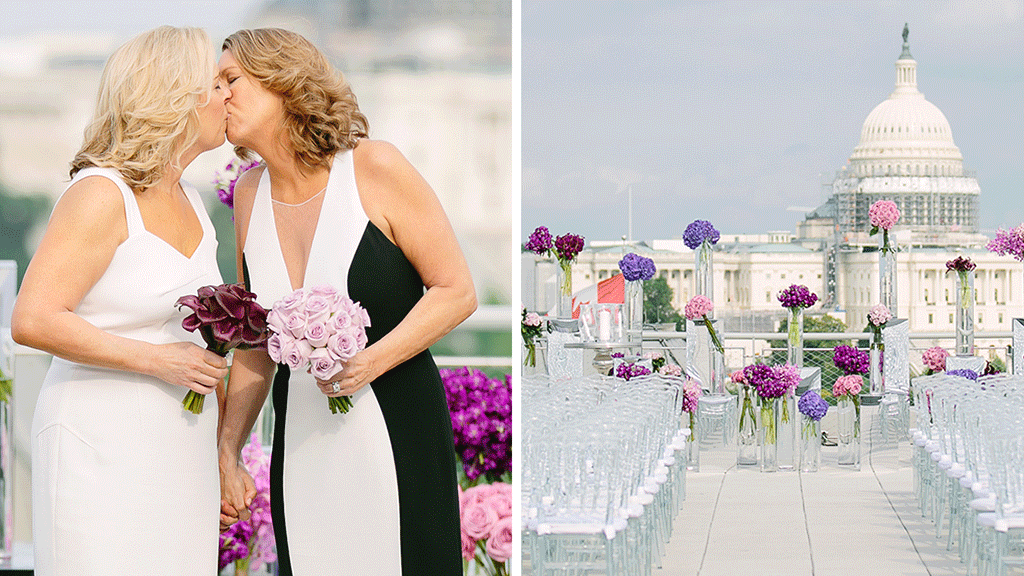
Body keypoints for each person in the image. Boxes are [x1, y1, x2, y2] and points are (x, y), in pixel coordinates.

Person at [216, 28, 476, 575]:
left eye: (231, 80)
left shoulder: (374, 167)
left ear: (281, 82)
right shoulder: (247, 193)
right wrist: (227, 447)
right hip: (302, 439)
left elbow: (457, 291)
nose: (220, 95)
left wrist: (370, 363)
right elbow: (253, 347)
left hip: (399, 423)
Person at [11, 26, 231, 574]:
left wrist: (224, 453)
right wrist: (156, 360)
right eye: (218, 82)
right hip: (99, 445)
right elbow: (32, 319)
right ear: (178, 96)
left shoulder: (194, 200)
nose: (230, 95)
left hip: (181, 451)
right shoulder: (100, 194)